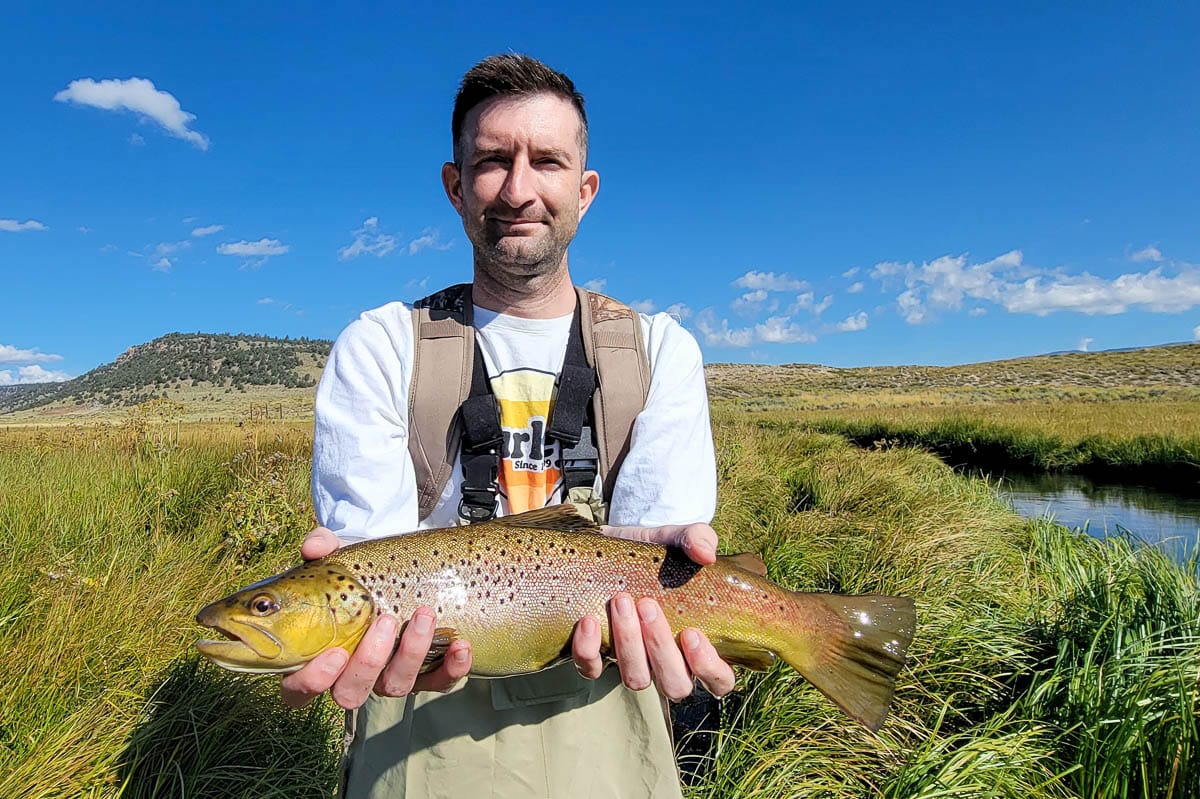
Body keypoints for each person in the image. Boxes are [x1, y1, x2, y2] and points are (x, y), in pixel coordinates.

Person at [280, 53, 734, 799]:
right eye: (492, 161)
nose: (519, 189)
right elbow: (369, 560)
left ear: (585, 191)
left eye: (547, 161)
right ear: (456, 188)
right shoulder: (382, 345)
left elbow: (663, 550)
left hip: (610, 709)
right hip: (418, 718)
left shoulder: (658, 351)